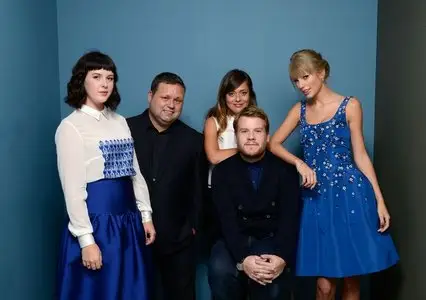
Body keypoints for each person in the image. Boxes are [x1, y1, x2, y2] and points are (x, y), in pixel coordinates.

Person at [269, 49, 399, 300]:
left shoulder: (350, 106)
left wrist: (379, 200)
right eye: (296, 80)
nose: (301, 85)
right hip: (316, 200)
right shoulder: (300, 110)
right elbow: (273, 143)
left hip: (351, 196)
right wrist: (300, 164)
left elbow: (360, 155)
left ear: (322, 73)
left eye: (305, 76)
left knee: (352, 281)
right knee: (324, 286)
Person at [55, 51, 155, 300]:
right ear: (82, 80)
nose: (104, 84)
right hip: (97, 224)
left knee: (131, 291)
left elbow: (135, 172)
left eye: (109, 78)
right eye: (97, 76)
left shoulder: (120, 121)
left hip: (128, 221)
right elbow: (73, 189)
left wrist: (145, 214)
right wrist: (86, 240)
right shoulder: (71, 127)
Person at [126, 72, 207, 300]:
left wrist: (193, 227)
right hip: (132, 236)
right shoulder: (125, 131)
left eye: (178, 100)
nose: (171, 105)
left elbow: (198, 189)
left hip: (178, 242)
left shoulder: (194, 141)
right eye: (165, 98)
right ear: (150, 96)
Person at [208, 106, 301, 300]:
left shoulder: (285, 170)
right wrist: (244, 259)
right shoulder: (221, 171)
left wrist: (282, 257)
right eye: (244, 131)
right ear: (236, 136)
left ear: (267, 137)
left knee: (272, 286)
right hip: (233, 238)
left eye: (257, 131)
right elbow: (226, 220)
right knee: (220, 271)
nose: (251, 137)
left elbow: (290, 219)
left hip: (271, 238)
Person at [203, 69, 257, 243]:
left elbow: (265, 151)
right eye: (232, 93)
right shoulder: (214, 121)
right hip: (220, 191)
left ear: (250, 95)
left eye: (243, 93)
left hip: (250, 190)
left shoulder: (257, 120)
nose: (238, 99)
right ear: (224, 95)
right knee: (223, 242)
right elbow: (213, 156)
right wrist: (245, 149)